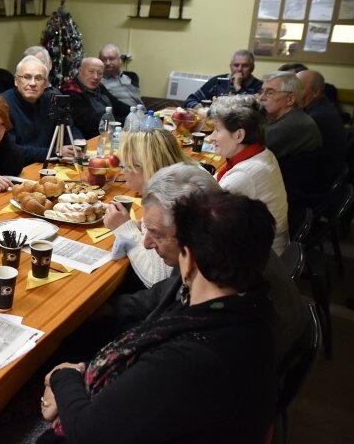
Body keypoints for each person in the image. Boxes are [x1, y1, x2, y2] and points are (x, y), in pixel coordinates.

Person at [39, 192, 281, 443]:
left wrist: (64, 375)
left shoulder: (189, 358)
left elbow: (87, 432)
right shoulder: (250, 312)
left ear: (189, 261)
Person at [103, 128, 199, 288]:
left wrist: (124, 229)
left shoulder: (165, 202)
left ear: (142, 168)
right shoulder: (185, 181)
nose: (122, 173)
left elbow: (156, 279)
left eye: (124, 167)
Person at [208, 95, 289, 255]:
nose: (211, 138)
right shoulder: (262, 153)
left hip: (257, 259)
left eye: (217, 130)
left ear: (239, 135)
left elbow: (205, 215)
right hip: (262, 247)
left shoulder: (244, 175)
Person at [1, 56, 81, 164]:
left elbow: (69, 128)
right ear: (16, 80)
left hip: (49, 164)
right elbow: (10, 150)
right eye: (27, 77)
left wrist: (76, 145)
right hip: (19, 167)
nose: (33, 83)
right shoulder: (2, 105)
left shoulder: (53, 99)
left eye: (38, 78)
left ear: (45, 84)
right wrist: (55, 153)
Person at [61, 57, 130, 139]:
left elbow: (117, 105)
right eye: (91, 72)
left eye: (100, 73)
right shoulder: (70, 90)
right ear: (80, 71)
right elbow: (89, 122)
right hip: (90, 139)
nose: (96, 77)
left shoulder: (99, 87)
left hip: (111, 133)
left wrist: (135, 112)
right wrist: (126, 121)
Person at [297, 69, 346, 186]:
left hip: (317, 184)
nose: (292, 94)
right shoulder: (323, 106)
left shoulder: (317, 117)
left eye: (298, 89)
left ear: (315, 92)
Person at [259, 71, 322, 160]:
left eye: (269, 93)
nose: (261, 97)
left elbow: (250, 150)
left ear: (290, 99)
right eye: (261, 91)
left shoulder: (295, 124)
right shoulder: (282, 117)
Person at [185, 49, 263, 108]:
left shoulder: (260, 86)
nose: (239, 69)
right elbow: (190, 100)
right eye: (236, 65)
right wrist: (196, 107)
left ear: (252, 68)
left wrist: (238, 87)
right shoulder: (218, 81)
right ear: (230, 66)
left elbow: (255, 109)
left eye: (245, 66)